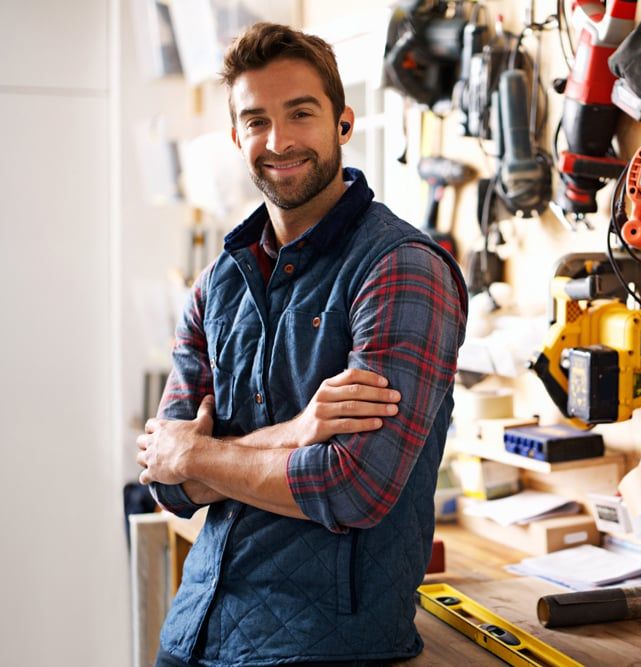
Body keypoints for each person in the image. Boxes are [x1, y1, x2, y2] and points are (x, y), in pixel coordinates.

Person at [136, 22, 467, 667]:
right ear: (236, 137)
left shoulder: (400, 268)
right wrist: (296, 432)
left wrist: (196, 455)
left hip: (326, 648)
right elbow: (164, 480)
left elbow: (353, 486)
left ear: (343, 123)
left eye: (301, 113)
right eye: (256, 120)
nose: (279, 140)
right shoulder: (217, 284)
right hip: (194, 633)